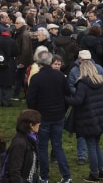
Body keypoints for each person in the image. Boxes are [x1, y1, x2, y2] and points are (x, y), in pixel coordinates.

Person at [65, 54, 103, 182]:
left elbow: (78, 100)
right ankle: (102, 170)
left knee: (91, 146)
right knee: (96, 145)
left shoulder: (83, 84)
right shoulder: (101, 82)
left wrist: (64, 98)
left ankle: (94, 173)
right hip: (101, 118)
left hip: (89, 119)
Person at [25, 49, 71, 183]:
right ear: (50, 62)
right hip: (58, 116)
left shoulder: (36, 78)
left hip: (42, 117)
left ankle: (44, 177)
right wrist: (63, 110)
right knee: (57, 146)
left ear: (39, 62)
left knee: (42, 147)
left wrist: (34, 113)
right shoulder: (60, 76)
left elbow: (30, 98)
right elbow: (67, 95)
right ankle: (66, 176)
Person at [5, 109, 41, 183]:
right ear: (31, 125)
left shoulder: (31, 140)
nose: (39, 124)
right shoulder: (19, 143)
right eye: (38, 123)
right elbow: (14, 172)